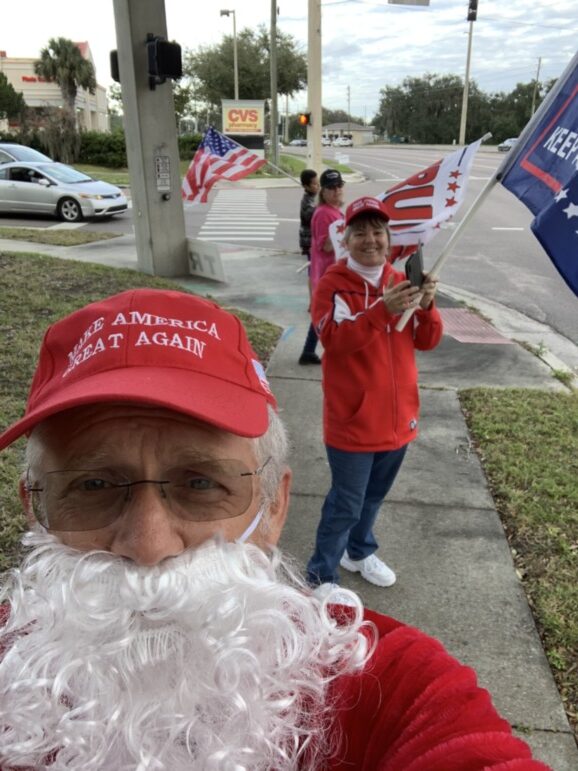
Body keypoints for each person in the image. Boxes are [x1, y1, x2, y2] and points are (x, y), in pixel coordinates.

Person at [0, 288, 549, 770]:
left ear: (274, 507)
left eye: (200, 484)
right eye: (93, 487)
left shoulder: (391, 683)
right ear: (36, 511)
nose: (148, 547)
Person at [307, 196, 443, 595]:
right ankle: (320, 574)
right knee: (346, 503)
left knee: (373, 498)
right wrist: (380, 310)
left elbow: (427, 340)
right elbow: (332, 339)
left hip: (398, 417)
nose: (371, 240)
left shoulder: (400, 282)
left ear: (388, 238)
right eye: (361, 232)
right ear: (346, 241)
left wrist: (428, 306)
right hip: (352, 419)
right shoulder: (332, 285)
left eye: (378, 232)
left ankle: (359, 551)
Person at [301, 168, 346, 365]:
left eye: (339, 186)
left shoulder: (334, 211)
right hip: (327, 273)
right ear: (323, 192)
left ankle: (309, 351)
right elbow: (324, 246)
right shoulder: (323, 214)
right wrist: (342, 235)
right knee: (330, 314)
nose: (336, 191)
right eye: (331, 188)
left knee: (326, 313)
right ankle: (331, 353)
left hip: (332, 272)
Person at [297, 168, 321, 365]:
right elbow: (312, 217)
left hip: (312, 242)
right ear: (305, 186)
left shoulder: (314, 197)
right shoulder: (308, 201)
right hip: (309, 241)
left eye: (318, 183)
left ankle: (313, 301)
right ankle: (313, 301)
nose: (317, 186)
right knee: (312, 272)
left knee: (312, 272)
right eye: (314, 184)